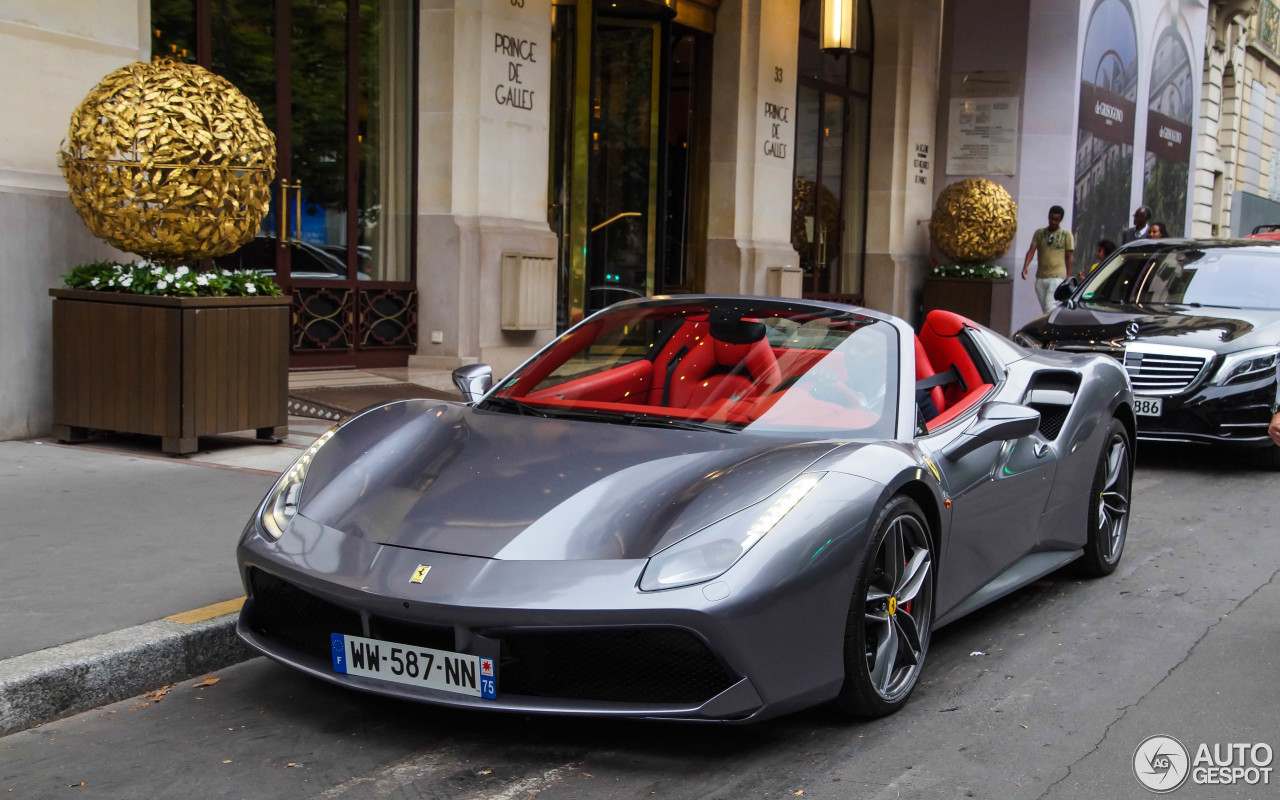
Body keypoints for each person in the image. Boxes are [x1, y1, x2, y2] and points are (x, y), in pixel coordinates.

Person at [1021, 205, 1075, 314]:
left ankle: (1052, 326)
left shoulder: (1066, 235)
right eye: (1051, 218)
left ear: (1061, 220)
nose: (1053, 222)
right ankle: (1049, 325)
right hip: (1041, 277)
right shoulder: (1039, 233)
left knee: (1049, 304)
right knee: (1045, 308)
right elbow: (1031, 250)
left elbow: (1069, 256)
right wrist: (1025, 266)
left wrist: (1069, 275)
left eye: (1056, 220)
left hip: (1057, 276)